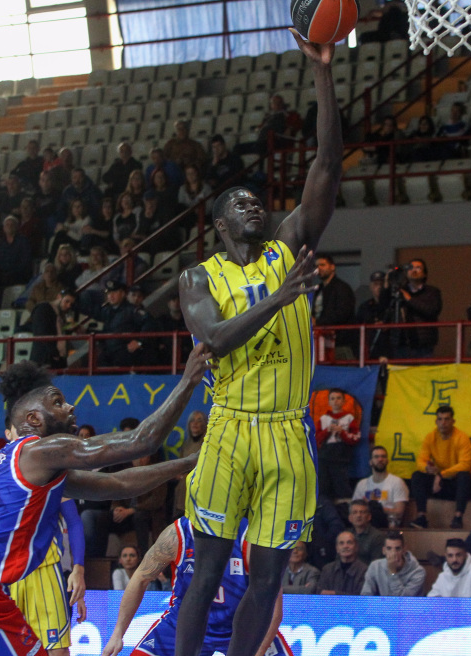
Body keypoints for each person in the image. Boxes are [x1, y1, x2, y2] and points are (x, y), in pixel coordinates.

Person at [171, 32, 341, 656]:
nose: (253, 205)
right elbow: (213, 338)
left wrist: (321, 73)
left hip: (287, 431)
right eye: (238, 203)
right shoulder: (198, 277)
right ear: (219, 225)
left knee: (268, 580)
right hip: (230, 427)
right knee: (208, 571)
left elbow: (326, 166)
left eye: (255, 200)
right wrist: (280, 299)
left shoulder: (288, 246)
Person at [0, 348, 212, 655]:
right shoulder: (37, 449)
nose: (71, 406)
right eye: (58, 402)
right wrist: (188, 380)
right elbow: (140, 441)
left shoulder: (24, 462)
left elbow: (117, 483)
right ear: (34, 418)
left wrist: (191, 462)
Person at [100, 517, 292, 656]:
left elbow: (272, 605)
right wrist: (118, 633)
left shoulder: (250, 536)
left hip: (242, 626)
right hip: (183, 623)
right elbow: (140, 578)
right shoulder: (178, 534)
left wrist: (256, 651)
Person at [409, 406, 471, 529]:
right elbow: (420, 460)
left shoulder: (461, 437)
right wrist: (427, 468)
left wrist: (441, 474)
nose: (443, 423)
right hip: (440, 482)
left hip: (458, 483)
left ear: (453, 421)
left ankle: (458, 517)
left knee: (464, 476)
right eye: (440, 419)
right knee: (417, 475)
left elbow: (465, 465)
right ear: (436, 421)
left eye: (446, 419)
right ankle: (421, 517)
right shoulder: (430, 437)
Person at [316, 388, 361, 505]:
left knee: (341, 485)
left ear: (344, 401)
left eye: (338, 398)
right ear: (329, 402)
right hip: (324, 457)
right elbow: (316, 438)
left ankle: (345, 510)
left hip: (341, 457)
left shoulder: (349, 418)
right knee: (323, 485)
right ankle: (324, 508)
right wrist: (327, 431)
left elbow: (355, 438)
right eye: (332, 399)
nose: (335, 401)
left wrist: (342, 432)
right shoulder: (323, 419)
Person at [351, 445, 409, 528]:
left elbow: (399, 512)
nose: (380, 459)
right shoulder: (362, 484)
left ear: (387, 461)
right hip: (365, 523)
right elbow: (354, 508)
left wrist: (380, 509)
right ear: (370, 462)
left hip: (387, 523)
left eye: (383, 456)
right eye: (376, 457)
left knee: (374, 506)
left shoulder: (397, 482)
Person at [360, 531, 424, 597]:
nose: (394, 553)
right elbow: (365, 595)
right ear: (384, 551)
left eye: (398, 549)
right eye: (389, 548)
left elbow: (402, 600)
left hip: (407, 607)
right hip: (381, 606)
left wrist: (393, 572)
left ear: (404, 550)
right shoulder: (375, 566)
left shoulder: (418, 572)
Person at [316, 531, 367, 595]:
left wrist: (335, 594)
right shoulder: (327, 569)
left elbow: (361, 596)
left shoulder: (364, 570)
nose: (345, 546)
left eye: (349, 542)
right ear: (337, 548)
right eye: (341, 543)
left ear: (356, 547)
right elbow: (320, 592)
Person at [347, 499, 385, 565]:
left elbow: (376, 565)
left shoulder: (378, 536)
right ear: (350, 518)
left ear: (369, 517)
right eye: (355, 512)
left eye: (362, 512)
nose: (359, 515)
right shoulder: (346, 535)